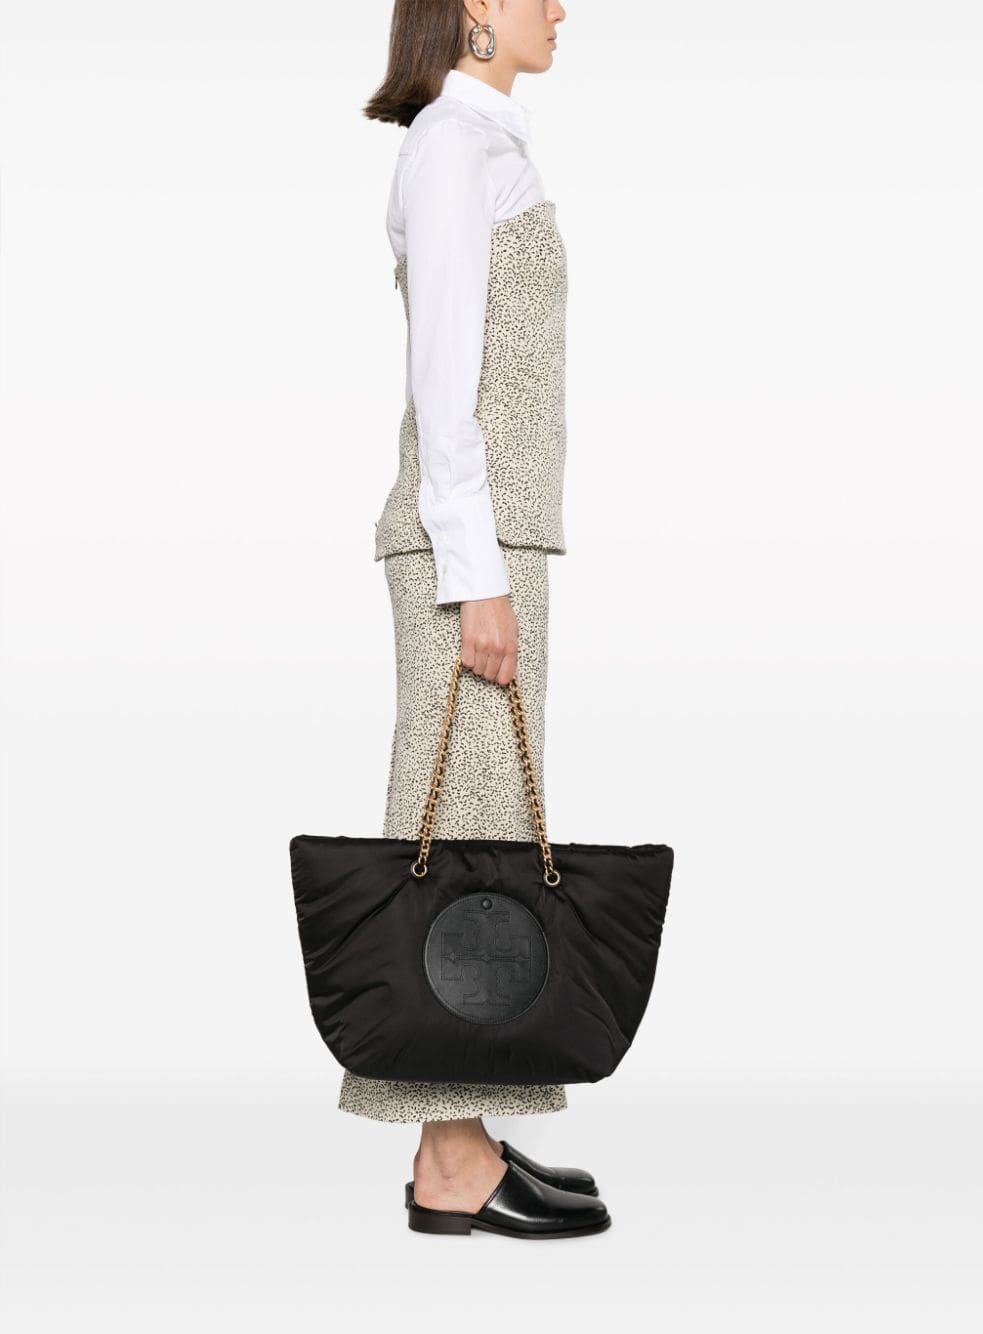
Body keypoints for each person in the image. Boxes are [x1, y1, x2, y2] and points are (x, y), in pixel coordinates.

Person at [350, 1, 609, 1240]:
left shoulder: (483, 143)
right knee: (456, 847)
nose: (558, 7)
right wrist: (478, 571)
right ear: (470, 12)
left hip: (495, 540)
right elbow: (442, 378)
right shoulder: (452, 145)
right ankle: (449, 1158)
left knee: (482, 841)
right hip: (473, 547)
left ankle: (463, 1133)